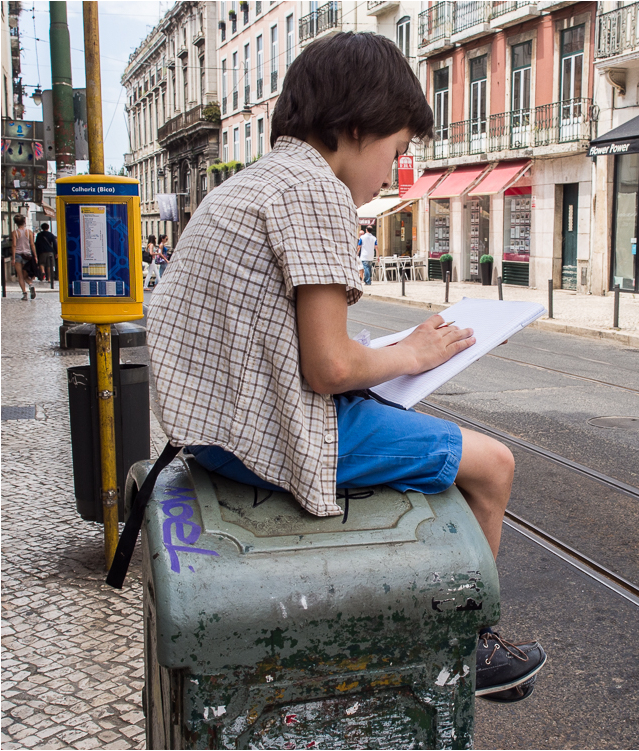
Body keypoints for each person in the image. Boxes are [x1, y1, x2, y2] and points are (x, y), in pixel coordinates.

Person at [144, 32, 544, 703]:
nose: (391, 173)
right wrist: (413, 355)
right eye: (394, 151)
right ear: (356, 127)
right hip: (266, 434)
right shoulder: (316, 192)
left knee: (401, 414)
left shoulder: (254, 182)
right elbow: (328, 365)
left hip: (210, 429)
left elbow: (298, 337)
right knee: (493, 464)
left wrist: (394, 354)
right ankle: (465, 645)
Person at [10, 215, 37, 300]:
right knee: (26, 276)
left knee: (20, 276)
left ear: (16, 223)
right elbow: (32, 244)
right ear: (24, 222)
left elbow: (14, 245)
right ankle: (30, 284)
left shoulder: (15, 233)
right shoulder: (29, 232)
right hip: (27, 256)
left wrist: (13, 258)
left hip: (18, 255)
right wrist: (35, 256)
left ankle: (24, 294)